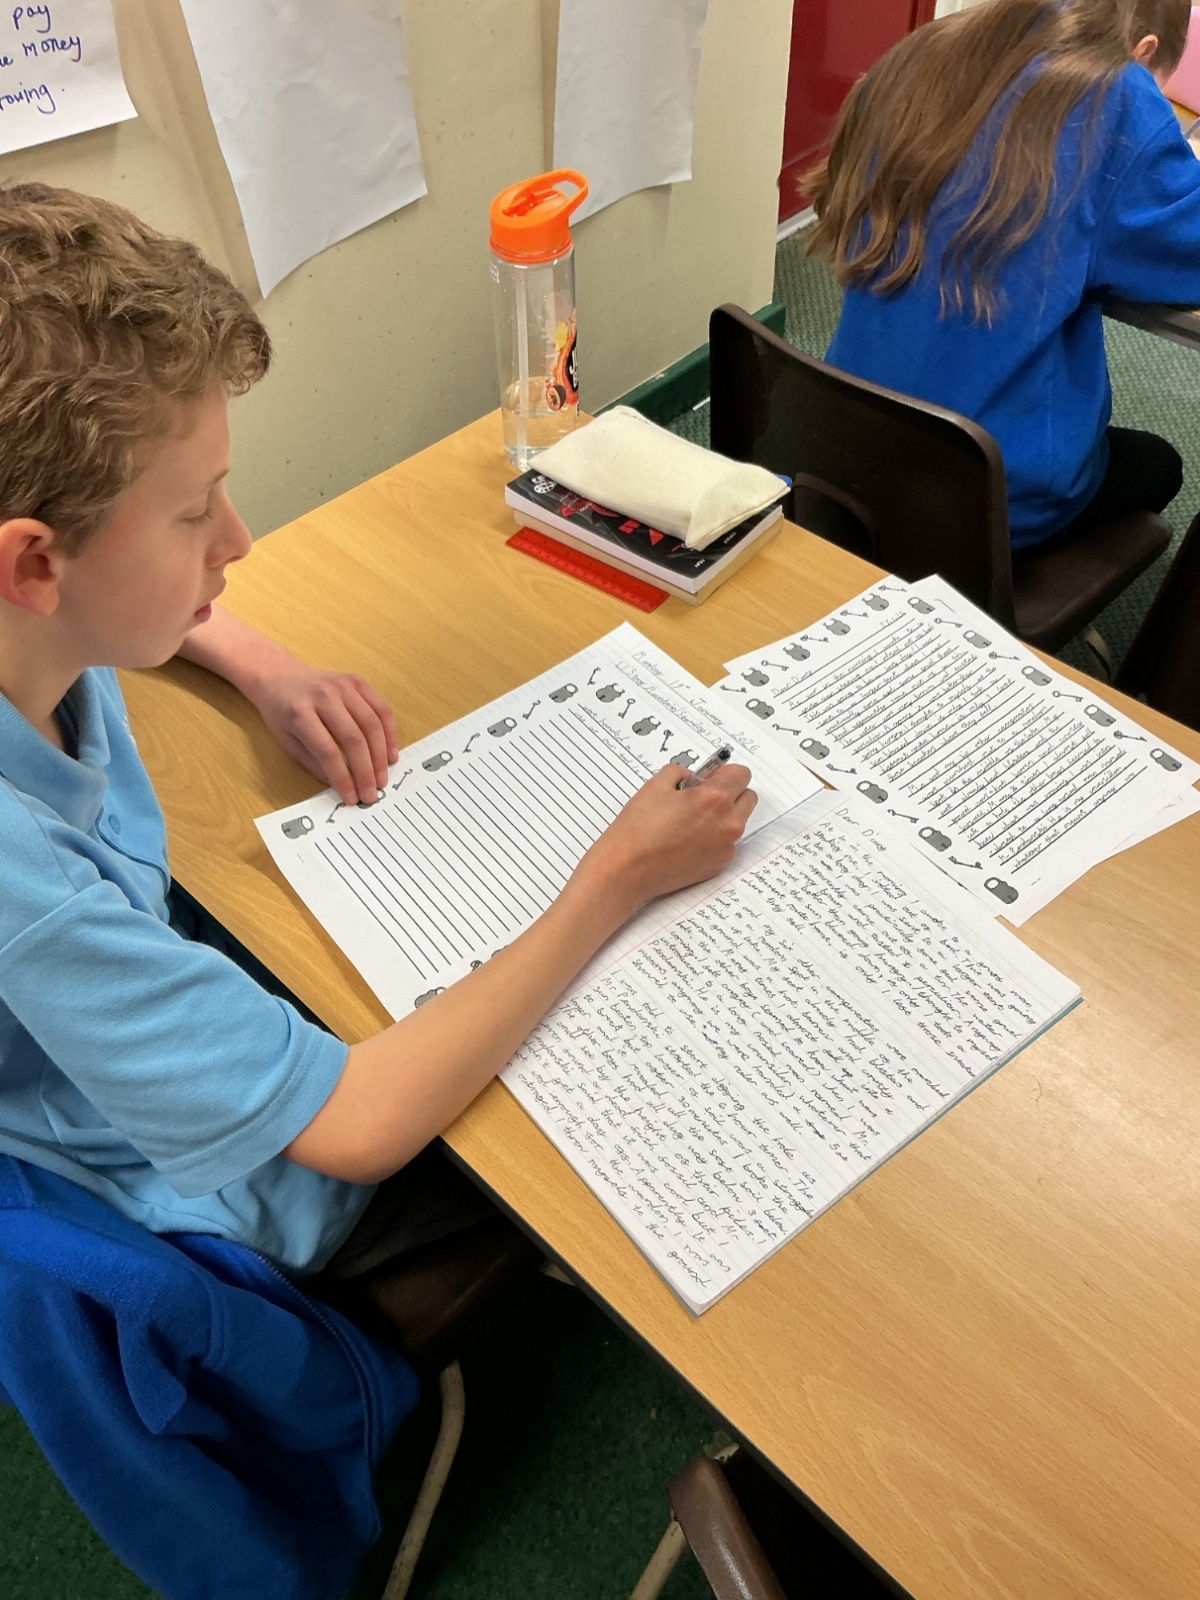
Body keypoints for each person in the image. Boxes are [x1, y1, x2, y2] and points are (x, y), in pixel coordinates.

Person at [0, 182, 756, 1281]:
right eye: (193, 510)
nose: (237, 539)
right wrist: (616, 878)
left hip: (151, 1012)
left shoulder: (38, 631)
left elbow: (106, 604)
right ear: (34, 563)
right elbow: (356, 1125)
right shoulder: (29, 890)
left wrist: (264, 662)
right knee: (578, 1136)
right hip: (200, 1184)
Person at [809, 0, 1200, 551]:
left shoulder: (929, 49)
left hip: (836, 443)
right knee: (1158, 464)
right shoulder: (1116, 97)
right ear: (1142, 52)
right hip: (982, 491)